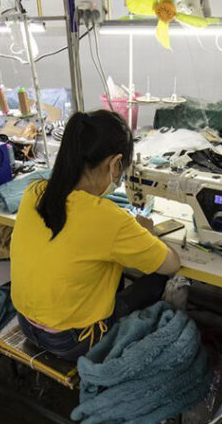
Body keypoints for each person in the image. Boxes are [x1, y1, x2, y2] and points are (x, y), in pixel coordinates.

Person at [10, 110, 182, 361]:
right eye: (122, 172)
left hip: (26, 323)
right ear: (115, 163)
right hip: (69, 341)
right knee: (156, 280)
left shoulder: (34, 192)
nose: (120, 178)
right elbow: (171, 264)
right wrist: (147, 233)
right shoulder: (109, 218)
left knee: (106, 272)